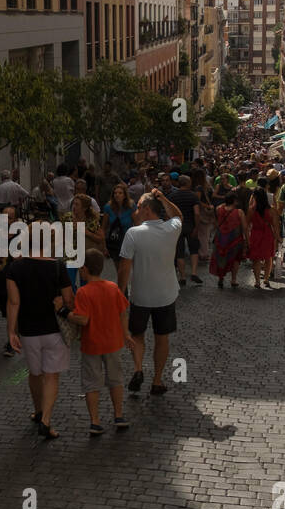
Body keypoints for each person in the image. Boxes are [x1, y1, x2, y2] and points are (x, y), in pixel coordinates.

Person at [6, 220, 75, 440]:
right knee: (51, 376)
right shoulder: (58, 267)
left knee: (35, 374)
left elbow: (13, 302)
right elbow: (69, 299)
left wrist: (11, 332)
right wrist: (62, 304)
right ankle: (46, 420)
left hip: (28, 330)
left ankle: (37, 411)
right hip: (54, 329)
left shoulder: (15, 268)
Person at [117, 187, 182, 397]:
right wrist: (163, 198)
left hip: (140, 295)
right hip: (166, 294)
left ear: (146, 209)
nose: (135, 211)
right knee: (162, 338)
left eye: (138, 207)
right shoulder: (172, 229)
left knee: (137, 335)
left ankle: (138, 369)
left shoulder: (133, 233)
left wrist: (120, 293)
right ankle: (157, 380)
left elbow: (124, 268)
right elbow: (178, 215)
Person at [68, 249, 130, 435]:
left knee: (91, 383)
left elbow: (83, 319)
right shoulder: (112, 288)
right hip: (113, 342)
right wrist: (125, 334)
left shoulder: (83, 292)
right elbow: (122, 312)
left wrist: (66, 314)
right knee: (115, 380)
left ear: (85, 269)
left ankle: (95, 421)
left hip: (92, 344)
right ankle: (119, 415)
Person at [0, 204, 20, 355]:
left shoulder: (22, 236)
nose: (6, 220)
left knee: (12, 309)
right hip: (0, 278)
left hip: (16, 280)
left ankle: (12, 341)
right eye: (4, 217)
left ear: (15, 220)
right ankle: (15, 336)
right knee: (7, 312)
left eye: (9, 217)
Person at [63, 194, 105, 291]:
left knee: (85, 284)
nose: (74, 206)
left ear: (85, 208)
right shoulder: (67, 217)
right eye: (73, 204)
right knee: (69, 283)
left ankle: (84, 299)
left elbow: (100, 238)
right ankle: (73, 299)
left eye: (77, 204)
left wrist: (86, 232)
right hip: (71, 255)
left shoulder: (91, 220)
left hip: (86, 255)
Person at [210, 192, 248, 289]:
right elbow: (245, 227)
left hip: (221, 238)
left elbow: (216, 221)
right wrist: (247, 240)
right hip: (235, 239)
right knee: (236, 259)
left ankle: (221, 278)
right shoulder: (239, 212)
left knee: (221, 258)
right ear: (234, 201)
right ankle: (233, 279)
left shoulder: (218, 209)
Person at [171, 176, 202, 287]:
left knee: (179, 252)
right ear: (188, 183)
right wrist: (197, 227)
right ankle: (194, 273)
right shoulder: (193, 196)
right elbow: (197, 213)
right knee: (194, 250)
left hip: (178, 227)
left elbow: (170, 213)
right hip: (191, 226)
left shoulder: (173, 196)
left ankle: (183, 277)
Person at [248, 186, 278, 289]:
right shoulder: (271, 210)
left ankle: (257, 281)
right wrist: (278, 237)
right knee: (268, 258)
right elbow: (275, 226)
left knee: (256, 259)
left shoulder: (251, 210)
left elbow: (247, 224)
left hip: (255, 234)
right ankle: (266, 278)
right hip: (267, 235)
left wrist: (246, 238)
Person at [101, 183, 135, 270]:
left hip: (128, 240)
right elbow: (103, 228)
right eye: (115, 193)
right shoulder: (108, 207)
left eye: (120, 193)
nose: (117, 195)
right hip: (114, 241)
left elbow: (137, 224)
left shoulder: (131, 206)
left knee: (126, 269)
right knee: (119, 269)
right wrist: (104, 246)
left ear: (124, 195)